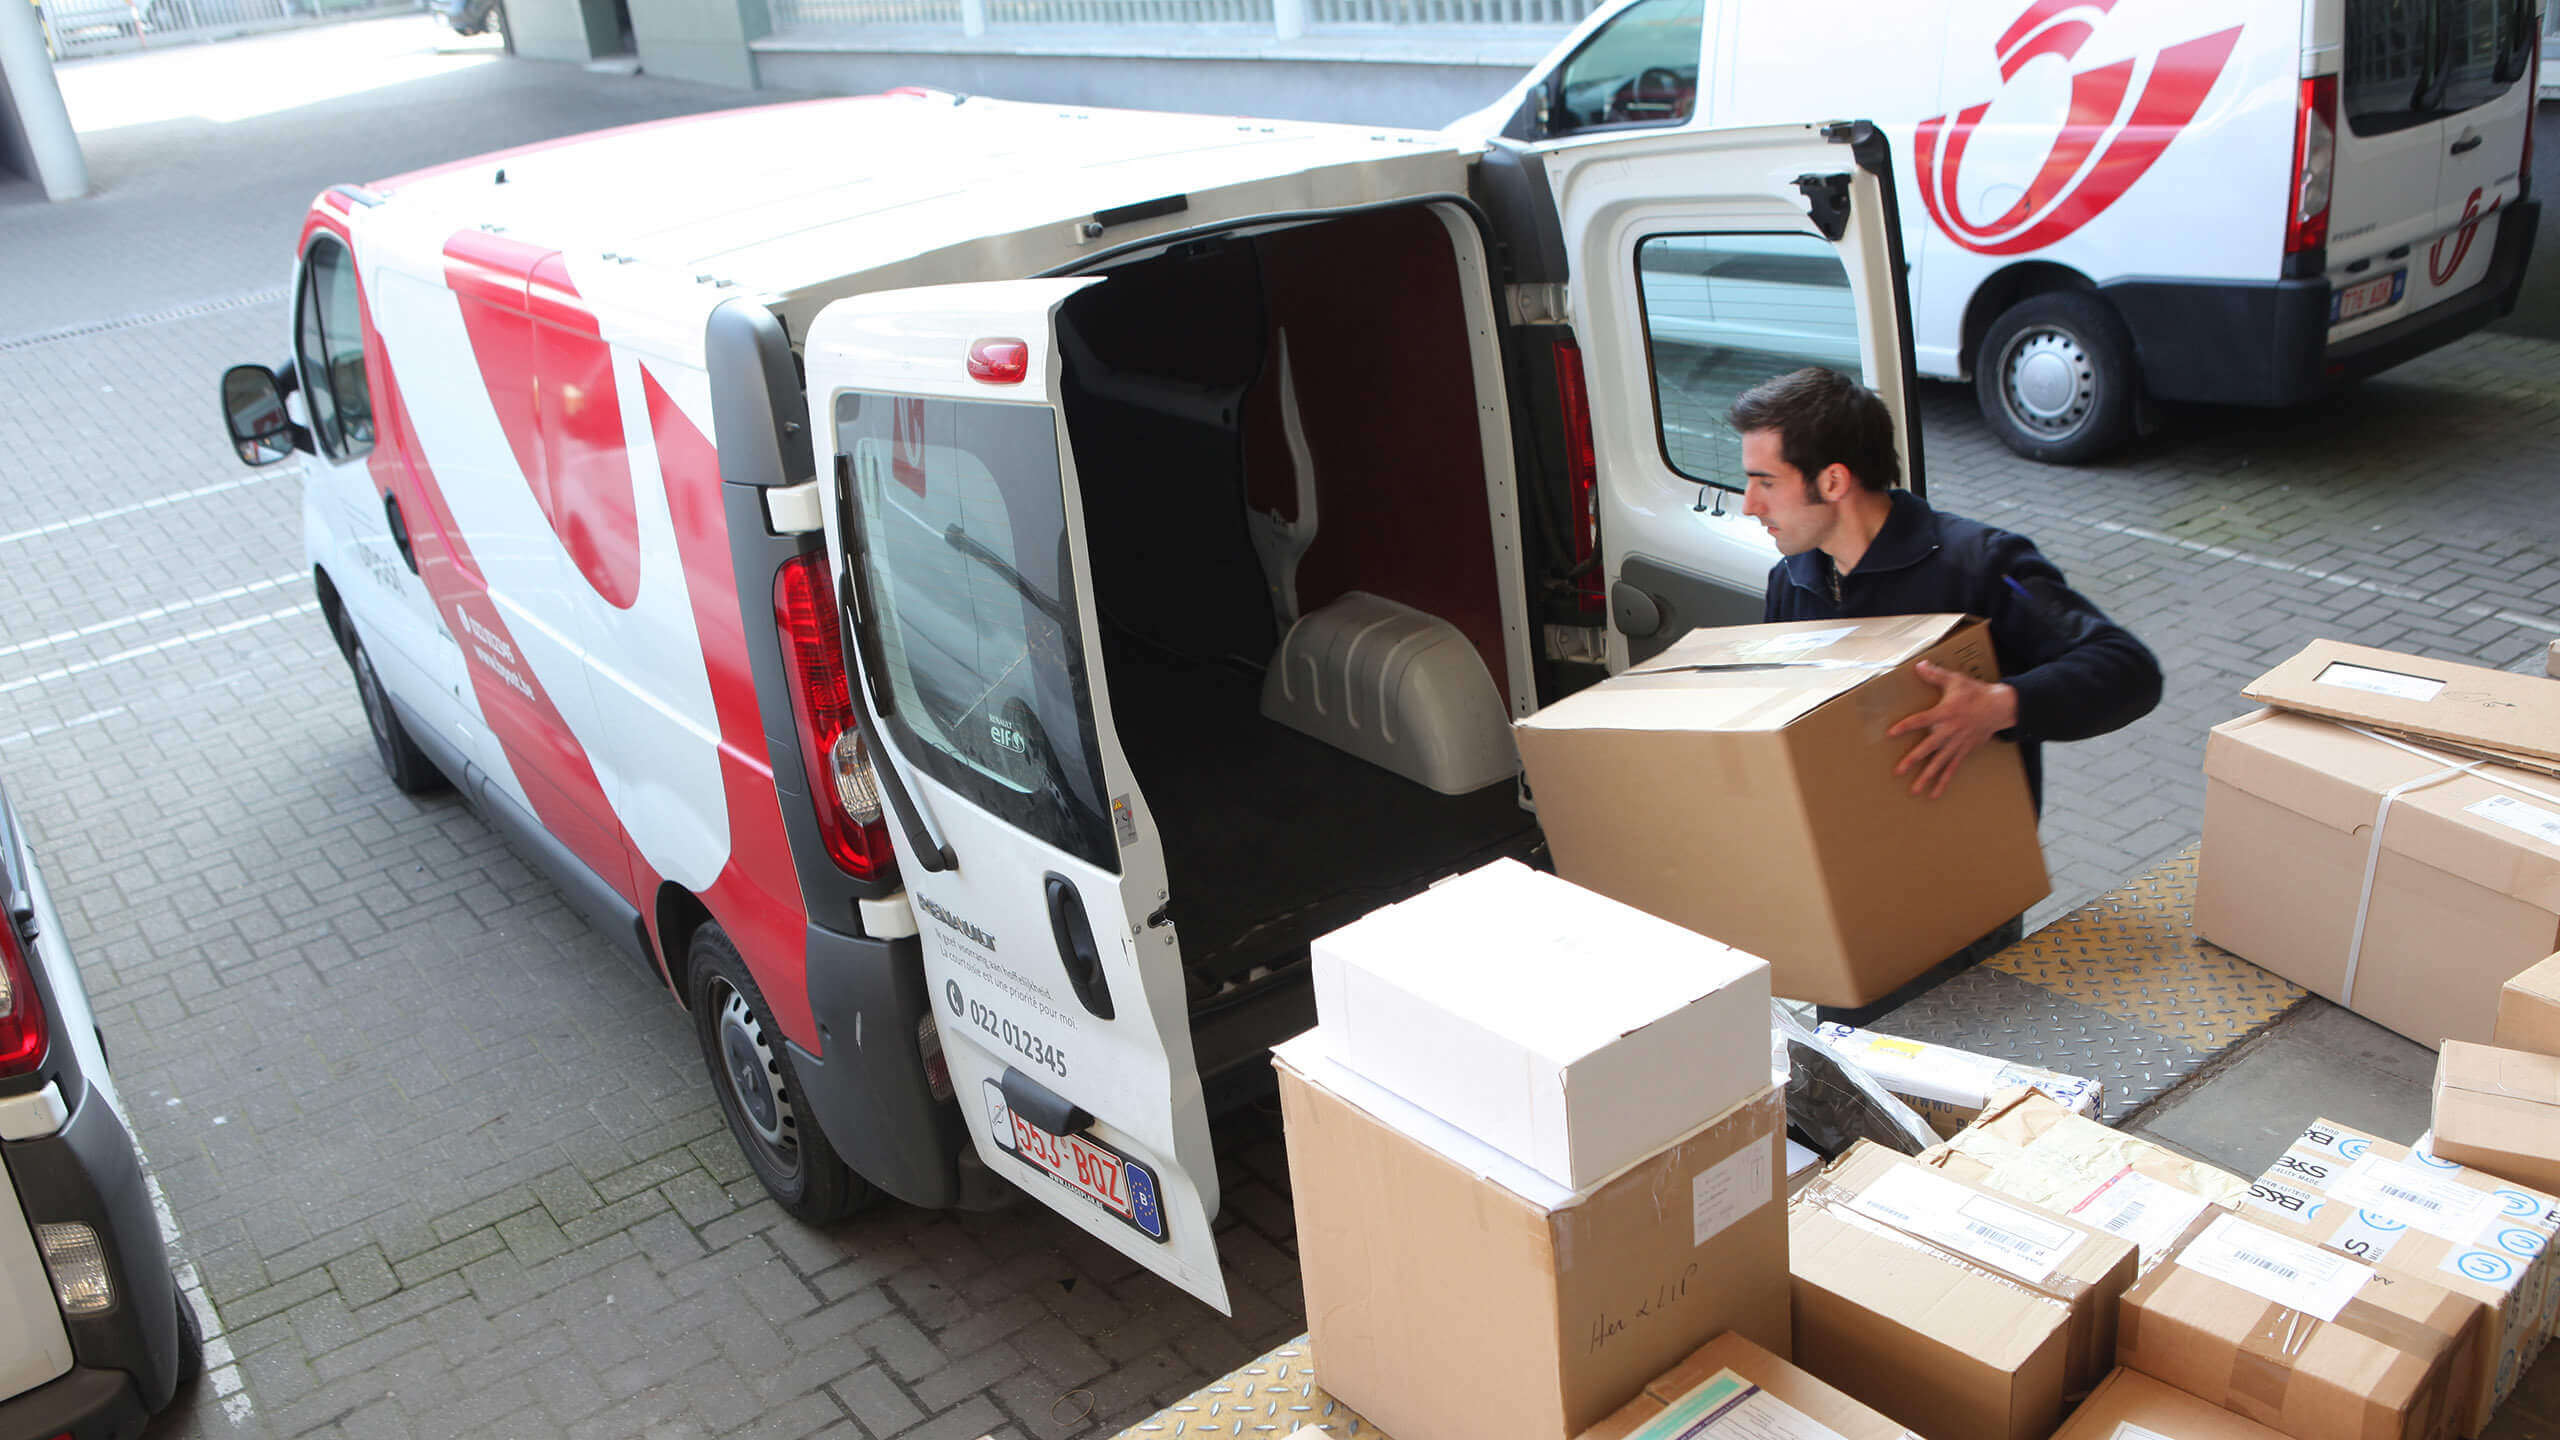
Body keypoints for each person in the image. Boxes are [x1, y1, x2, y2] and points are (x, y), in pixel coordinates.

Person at [1731, 366, 2162, 1021]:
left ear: (1834, 481)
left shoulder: (1985, 567)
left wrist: (2000, 707)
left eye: (1765, 482)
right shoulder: (1793, 581)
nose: (1748, 504)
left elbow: (2127, 668)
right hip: (1846, 891)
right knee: (1858, 1071)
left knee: (1950, 1075)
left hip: (1958, 898)